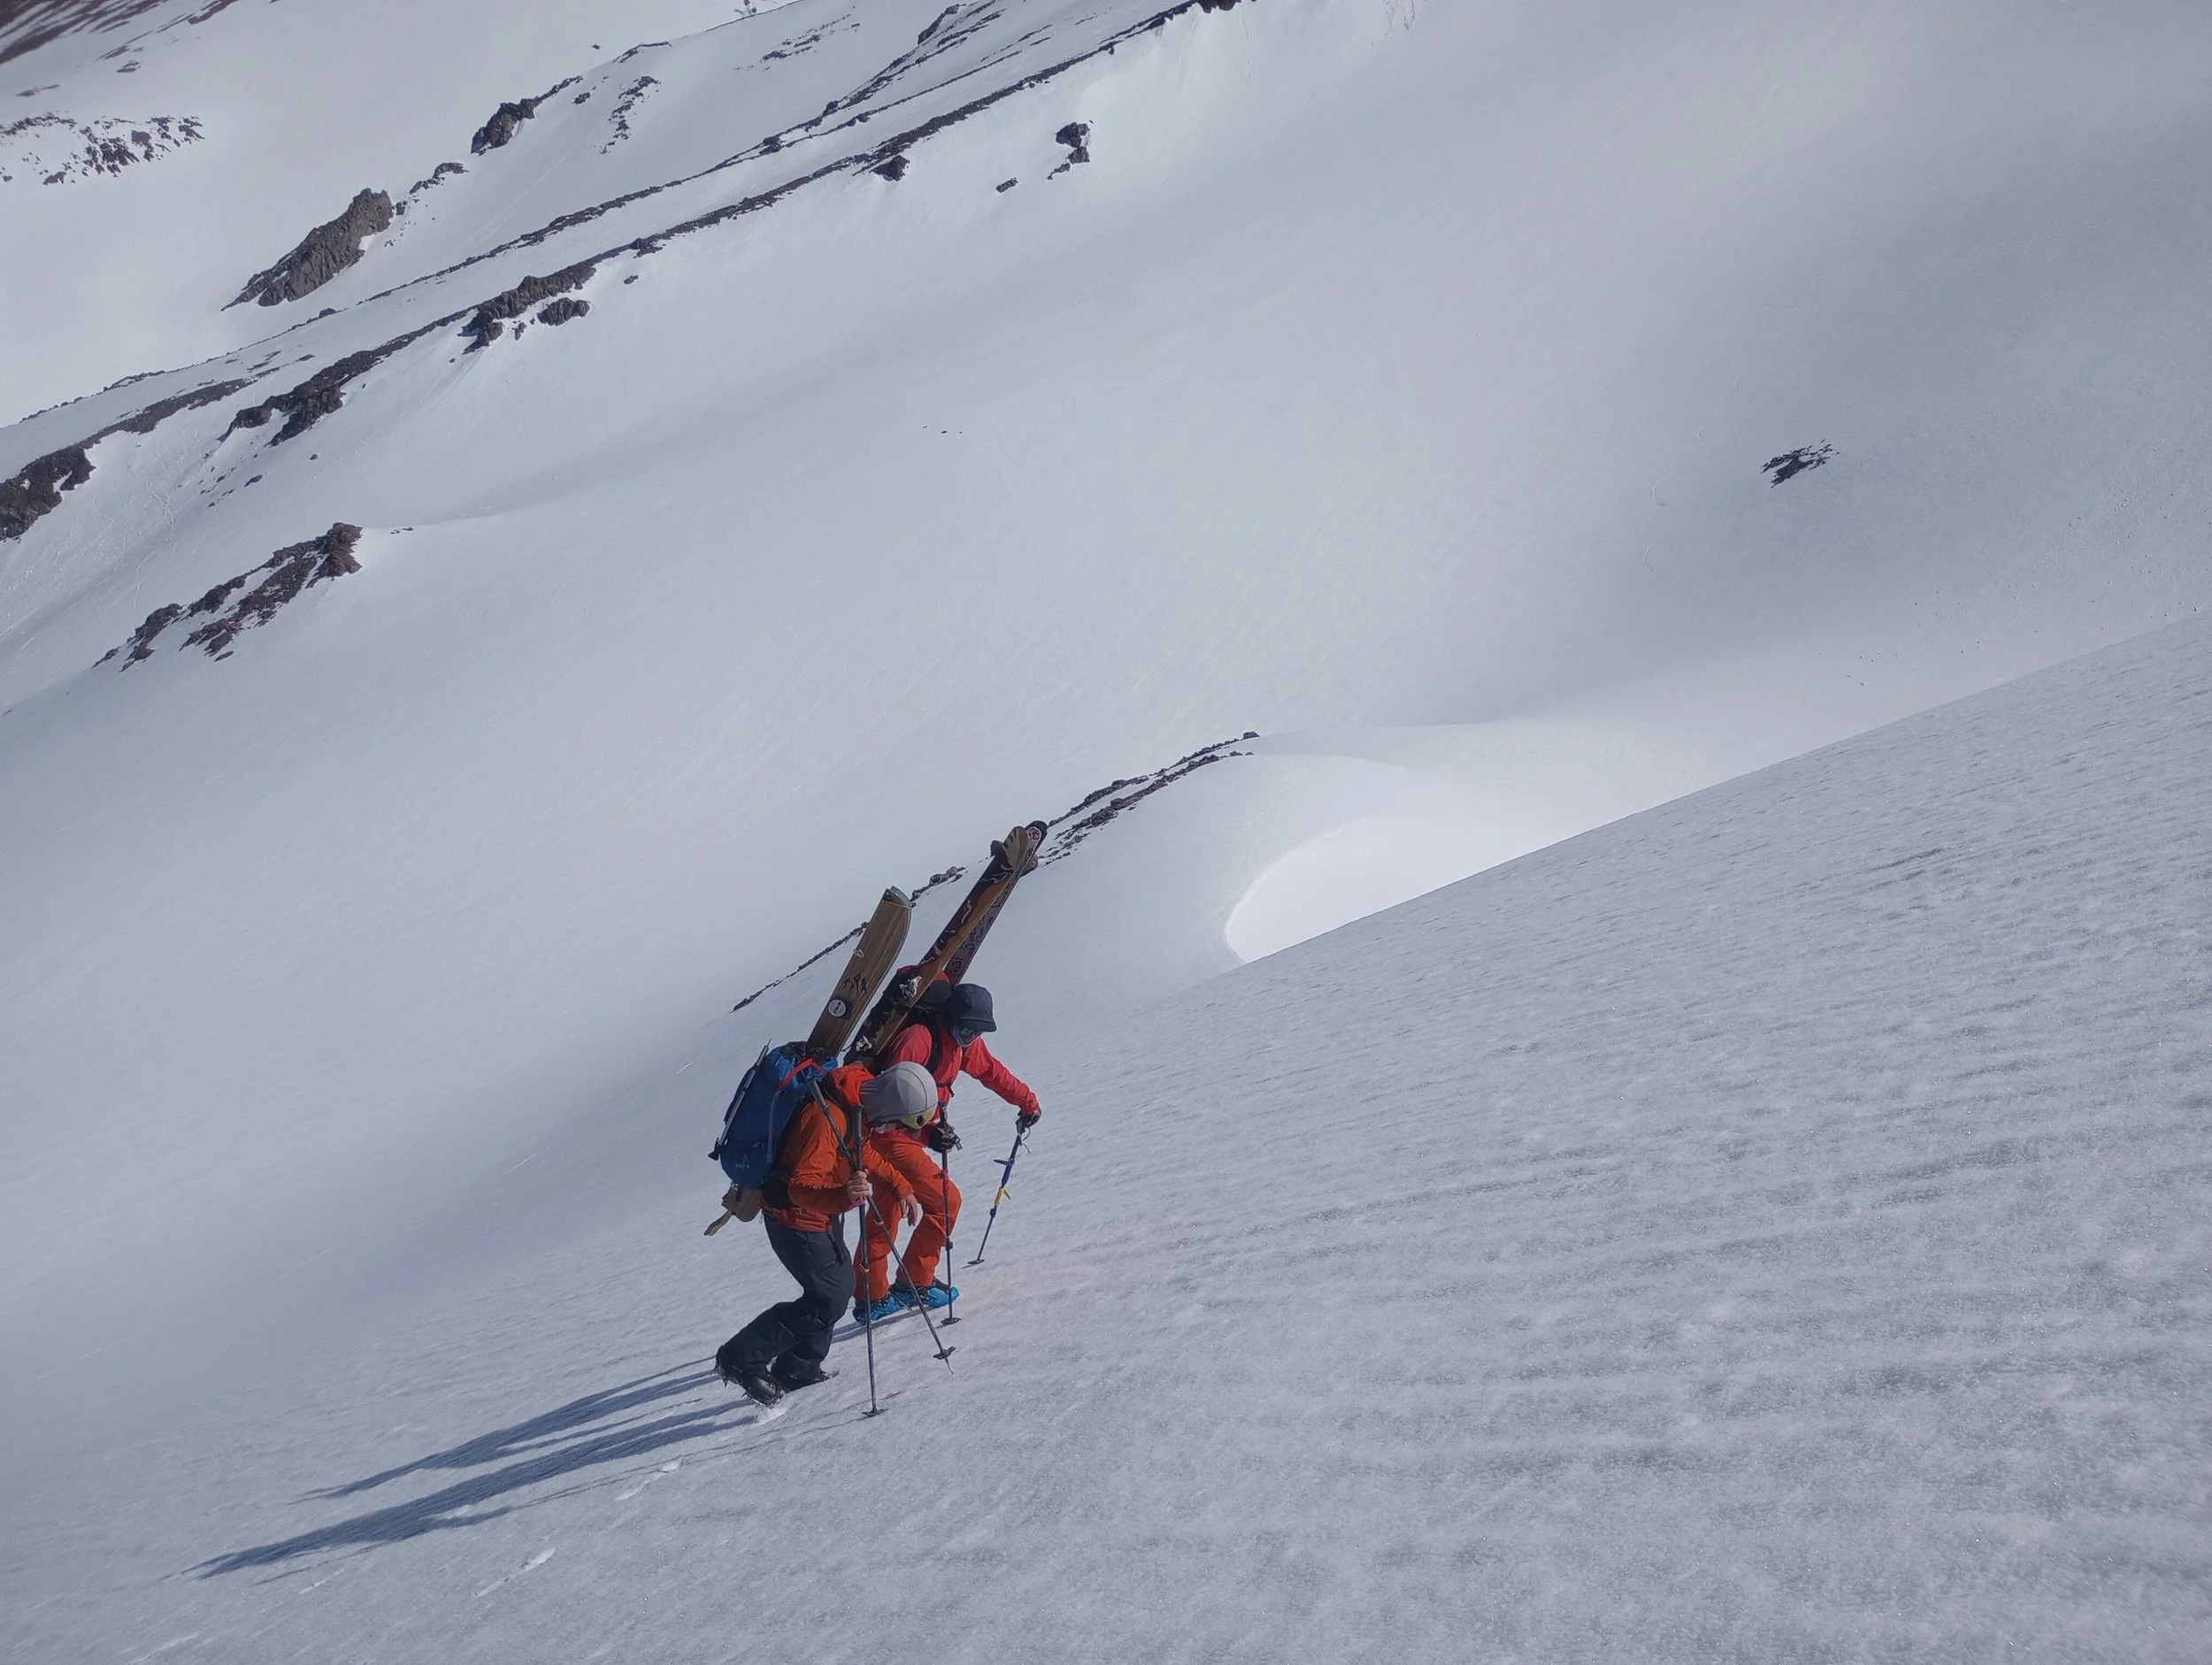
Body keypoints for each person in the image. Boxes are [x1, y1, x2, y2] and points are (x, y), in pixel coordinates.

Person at [714, 1063, 921, 1408]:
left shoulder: (856, 1103)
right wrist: (844, 1196)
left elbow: (859, 1151)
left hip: (820, 1214)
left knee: (832, 1290)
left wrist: (899, 1185)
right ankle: (741, 1357)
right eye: (898, 1122)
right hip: (794, 1217)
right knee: (830, 1297)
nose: (896, 1130)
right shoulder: (828, 1120)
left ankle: (799, 1368)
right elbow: (800, 1187)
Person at [856, 983, 1041, 1319]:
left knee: (887, 1209)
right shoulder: (918, 1041)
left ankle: (873, 1297)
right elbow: (887, 1105)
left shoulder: (962, 1043)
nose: (970, 1036)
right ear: (950, 1017)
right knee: (945, 1201)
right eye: (966, 1029)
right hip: (887, 1137)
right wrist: (929, 1134)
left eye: (978, 1031)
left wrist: (1027, 1102)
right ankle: (914, 1283)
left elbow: (992, 1072)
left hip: (903, 1136)